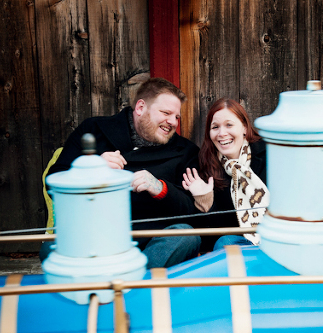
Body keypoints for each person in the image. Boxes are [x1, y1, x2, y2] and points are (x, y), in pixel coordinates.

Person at [44, 77, 201, 268]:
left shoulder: (185, 151)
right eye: (166, 113)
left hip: (150, 243)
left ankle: (125, 278)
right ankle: (132, 280)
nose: (173, 122)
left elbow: (192, 209)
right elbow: (53, 182)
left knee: (186, 236)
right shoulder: (93, 130)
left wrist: (161, 189)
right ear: (141, 107)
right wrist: (92, 169)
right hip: (95, 237)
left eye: (177, 117)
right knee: (51, 248)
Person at [182, 98, 268, 252]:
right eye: (215, 127)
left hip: (277, 238)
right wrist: (206, 203)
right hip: (241, 248)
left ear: (244, 127)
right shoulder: (205, 169)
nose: (222, 133)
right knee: (226, 242)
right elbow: (210, 241)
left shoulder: (269, 155)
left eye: (229, 125)